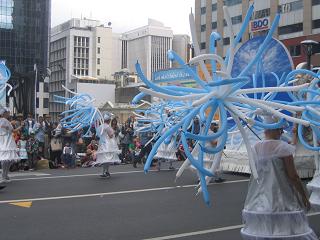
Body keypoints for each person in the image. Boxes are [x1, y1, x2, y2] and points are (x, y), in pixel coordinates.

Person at [241, 116, 317, 239]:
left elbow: (254, 172)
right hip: (282, 196)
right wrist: (304, 197)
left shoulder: (255, 148)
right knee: (286, 230)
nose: (282, 132)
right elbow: (293, 176)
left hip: (259, 198)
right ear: (273, 130)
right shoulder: (283, 147)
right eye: (280, 129)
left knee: (267, 230)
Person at [95, 113, 121, 178]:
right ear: (109, 120)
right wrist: (114, 132)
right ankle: (106, 172)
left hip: (102, 144)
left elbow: (98, 135)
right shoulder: (107, 127)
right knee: (107, 159)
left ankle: (105, 172)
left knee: (104, 159)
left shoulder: (101, 126)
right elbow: (110, 136)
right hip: (107, 144)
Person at [0, 107, 20, 183]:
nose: (9, 114)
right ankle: (4, 175)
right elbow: (13, 130)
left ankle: (5, 175)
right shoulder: (5, 121)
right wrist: (20, 126)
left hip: (2, 140)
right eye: (8, 112)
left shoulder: (3, 121)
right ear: (4, 113)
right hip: (7, 140)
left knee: (6, 158)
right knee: (8, 158)